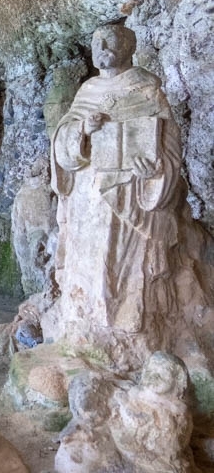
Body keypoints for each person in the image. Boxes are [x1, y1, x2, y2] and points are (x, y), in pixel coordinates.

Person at [49, 24, 183, 334]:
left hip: (131, 191)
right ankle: (85, 323)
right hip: (89, 194)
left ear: (128, 47)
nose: (102, 47)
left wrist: (156, 170)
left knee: (123, 267)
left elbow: (171, 145)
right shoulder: (87, 91)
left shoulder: (146, 89)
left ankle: (126, 326)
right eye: (96, 42)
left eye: (110, 41)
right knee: (91, 261)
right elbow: (63, 138)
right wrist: (82, 129)